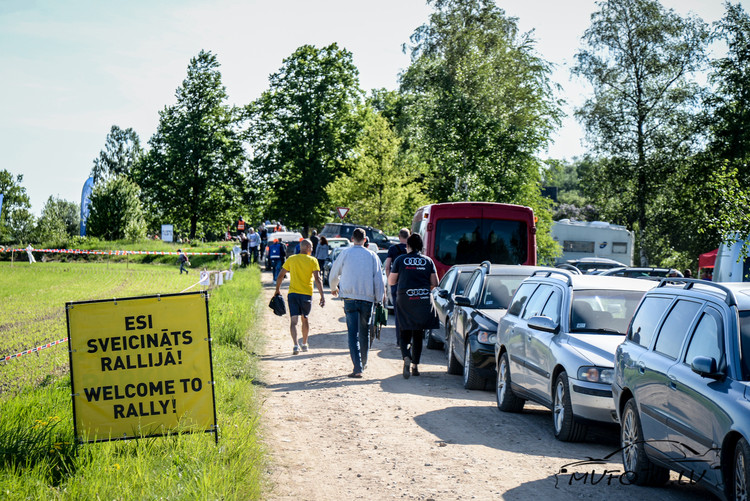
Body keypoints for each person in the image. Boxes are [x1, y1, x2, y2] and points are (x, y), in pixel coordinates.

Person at [329, 228, 385, 378]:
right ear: (365, 240)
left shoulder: (345, 253)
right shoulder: (372, 256)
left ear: (352, 238)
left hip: (349, 298)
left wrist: (334, 288)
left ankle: (357, 367)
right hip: (367, 299)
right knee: (365, 332)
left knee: (352, 334)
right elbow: (378, 279)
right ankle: (364, 363)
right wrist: (379, 299)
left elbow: (334, 273)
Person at [388, 233, 438, 379]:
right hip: (422, 299)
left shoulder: (400, 259)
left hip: (405, 299)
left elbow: (391, 282)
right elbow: (435, 283)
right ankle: (415, 366)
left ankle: (406, 357)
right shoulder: (428, 261)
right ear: (421, 246)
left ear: (407, 246)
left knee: (405, 332)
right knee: (418, 334)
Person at [274, 239, 325, 354]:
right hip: (306, 294)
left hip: (293, 294)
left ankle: (295, 345)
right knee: (305, 318)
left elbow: (281, 275)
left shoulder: (291, 259)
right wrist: (322, 295)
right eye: (311, 247)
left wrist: (277, 290)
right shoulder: (313, 260)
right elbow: (317, 279)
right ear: (307, 247)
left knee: (293, 321)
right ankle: (304, 344)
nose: (312, 249)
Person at [384, 228, 409, 346]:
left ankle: (400, 341)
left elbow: (387, 266)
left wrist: (390, 281)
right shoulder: (411, 249)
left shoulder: (393, 249)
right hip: (409, 284)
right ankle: (409, 340)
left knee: (398, 313)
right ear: (408, 237)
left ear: (399, 237)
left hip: (396, 284)